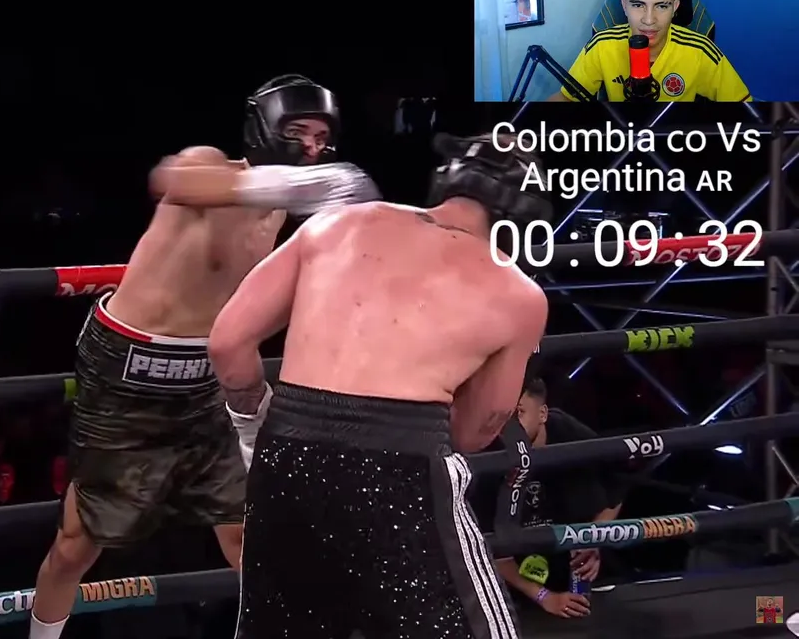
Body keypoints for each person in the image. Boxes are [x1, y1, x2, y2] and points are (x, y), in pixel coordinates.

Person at [29, 75, 379, 639]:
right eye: (299, 132)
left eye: (321, 139)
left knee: (247, 532)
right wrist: (296, 185)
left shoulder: (282, 216)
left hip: (206, 378)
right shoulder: (212, 166)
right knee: (78, 544)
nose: (312, 148)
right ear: (266, 128)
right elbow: (172, 179)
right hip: (131, 367)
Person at [209, 133, 551, 639]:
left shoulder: (336, 224)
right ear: (521, 214)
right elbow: (474, 431)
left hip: (285, 451)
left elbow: (227, 344)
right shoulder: (518, 293)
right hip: (400, 467)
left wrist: (254, 429)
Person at [470, 378, 628, 621]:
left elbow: (616, 491)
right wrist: (544, 596)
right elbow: (491, 549)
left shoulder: (570, 435)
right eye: (505, 416)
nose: (510, 427)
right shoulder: (491, 453)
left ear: (542, 414)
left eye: (519, 413)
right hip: (517, 589)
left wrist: (593, 538)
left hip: (578, 575)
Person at [549, 0, 750, 102]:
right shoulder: (602, 45)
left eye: (661, 6)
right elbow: (566, 98)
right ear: (624, 6)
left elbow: (745, 108)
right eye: (638, 5)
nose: (649, 20)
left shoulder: (701, 51)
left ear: (675, 8)